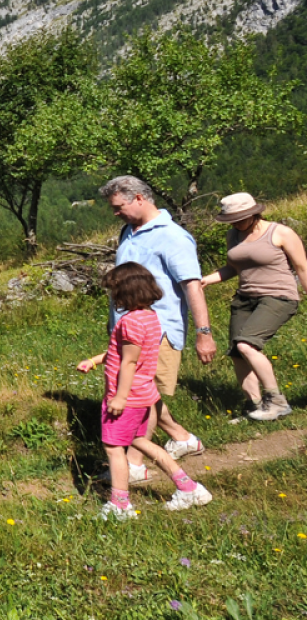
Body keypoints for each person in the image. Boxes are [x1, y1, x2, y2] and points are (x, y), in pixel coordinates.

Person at [100, 175, 215, 483]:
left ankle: (135, 465)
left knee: (139, 396)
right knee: (144, 394)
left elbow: (192, 285)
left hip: (157, 329)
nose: (115, 213)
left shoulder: (172, 236)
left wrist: (203, 333)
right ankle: (182, 438)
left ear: (139, 198)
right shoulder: (129, 231)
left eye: (118, 206)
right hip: (126, 329)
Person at [77, 262, 212, 520]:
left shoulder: (129, 323)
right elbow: (124, 352)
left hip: (127, 397)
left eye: (114, 291)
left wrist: (119, 397)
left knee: (114, 448)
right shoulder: (149, 317)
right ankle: (189, 488)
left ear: (126, 292)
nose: (112, 296)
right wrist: (95, 360)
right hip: (144, 395)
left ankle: (120, 505)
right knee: (140, 442)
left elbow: (129, 362)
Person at [200, 192, 307, 421]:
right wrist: (208, 279)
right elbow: (233, 268)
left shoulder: (280, 233)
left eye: (240, 218)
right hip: (245, 299)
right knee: (238, 353)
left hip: (278, 296)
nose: (236, 223)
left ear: (254, 213)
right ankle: (254, 406)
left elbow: (302, 267)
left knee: (247, 344)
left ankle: (276, 401)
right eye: (231, 220)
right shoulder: (233, 235)